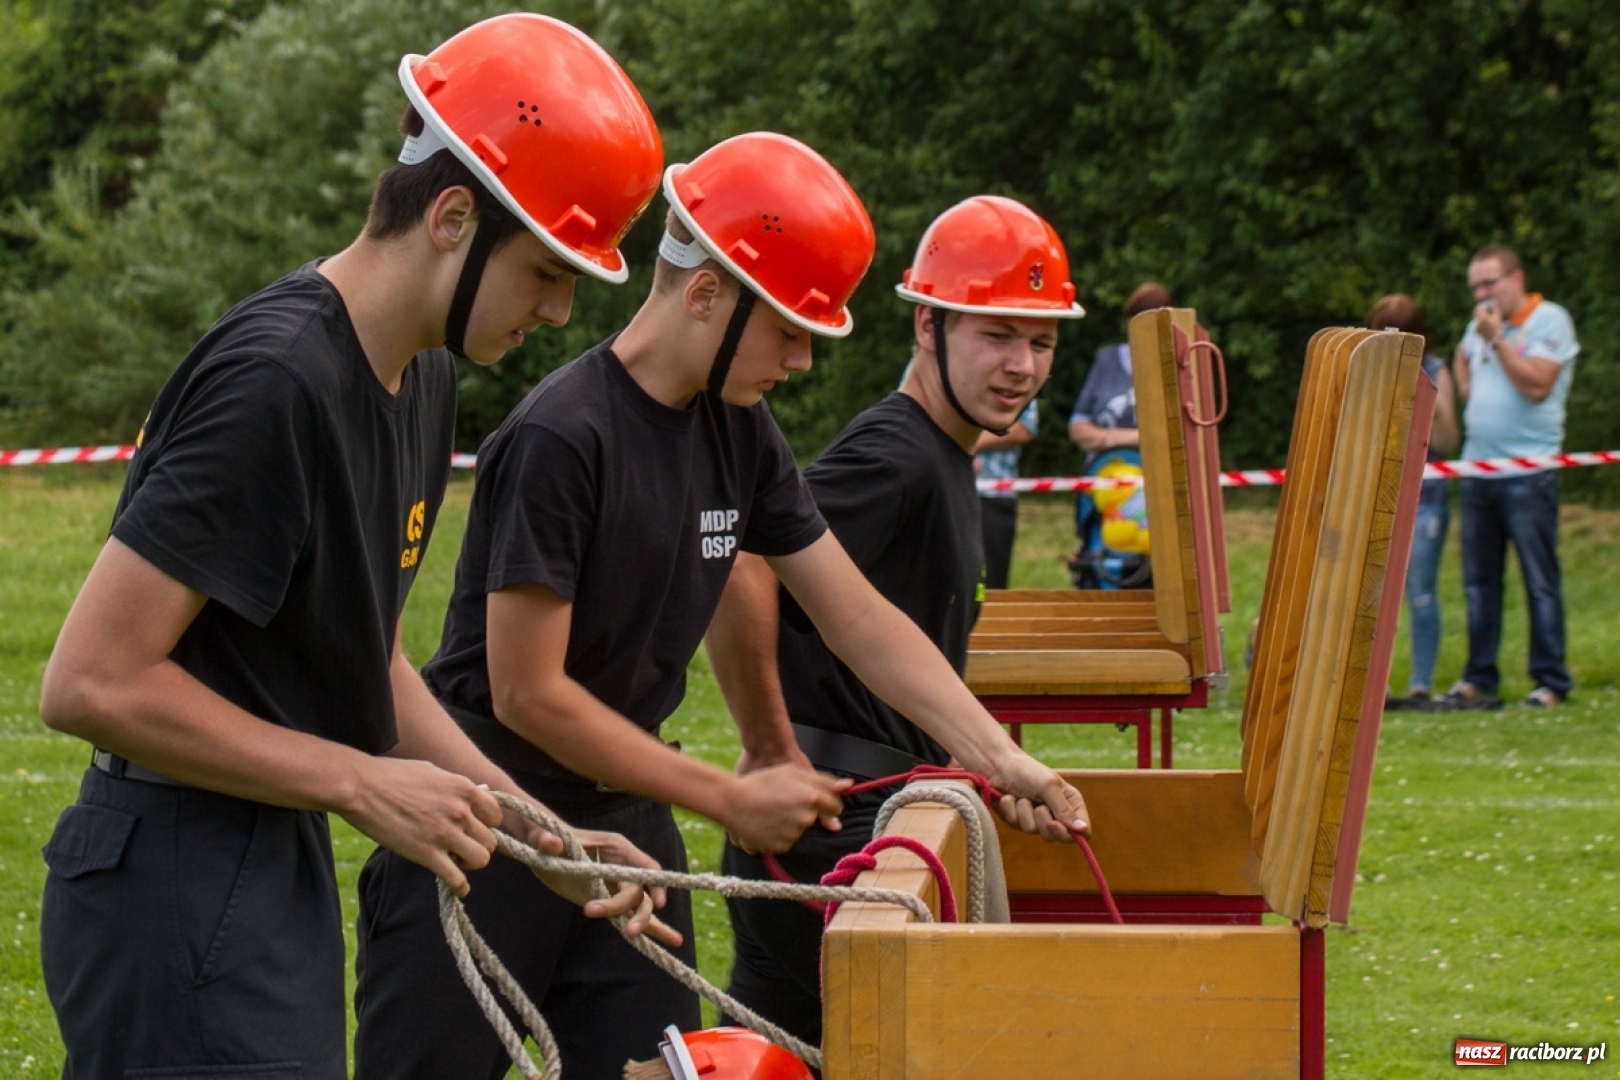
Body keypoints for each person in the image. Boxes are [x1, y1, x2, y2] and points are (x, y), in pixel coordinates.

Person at [35, 14, 676, 1079]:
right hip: (171, 871)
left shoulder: (419, 377)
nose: (562, 312)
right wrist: (357, 783)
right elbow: (91, 682)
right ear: (454, 217)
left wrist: (530, 827)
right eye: (547, 272)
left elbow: (364, 655)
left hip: (265, 854)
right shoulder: (276, 380)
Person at [353, 132, 864, 1080]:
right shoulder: (560, 434)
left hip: (630, 825)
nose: (800, 361)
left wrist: (998, 756)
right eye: (791, 329)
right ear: (707, 293)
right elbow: (528, 695)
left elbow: (854, 612)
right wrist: (728, 796)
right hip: (487, 815)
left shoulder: (742, 429)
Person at [707, 194, 1093, 1050]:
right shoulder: (897, 454)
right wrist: (773, 748)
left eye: (1041, 341)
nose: (1023, 365)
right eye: (996, 334)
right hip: (824, 831)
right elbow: (747, 563)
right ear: (926, 326)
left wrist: (981, 763)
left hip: (880, 813)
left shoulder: (947, 454)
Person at [1438, 246, 1579, 710]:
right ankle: (1479, 676)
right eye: (1476, 286)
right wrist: (1468, 390)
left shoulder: (1549, 322)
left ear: (1516, 278)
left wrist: (1498, 339)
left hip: (1529, 471)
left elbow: (1537, 385)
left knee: (1539, 580)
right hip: (1479, 468)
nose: (1482, 294)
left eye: (1490, 283)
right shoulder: (1479, 323)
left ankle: (1551, 680)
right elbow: (1461, 356)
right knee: (1479, 582)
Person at [1367, 295, 1461, 711]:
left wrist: (1438, 408)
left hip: (1427, 499)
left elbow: (1448, 444)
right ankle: (1374, 683)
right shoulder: (1369, 370)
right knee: (1373, 592)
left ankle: (1421, 682)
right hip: (1379, 495)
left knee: (1420, 591)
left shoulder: (1438, 371)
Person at [1065, 281, 1171, 589]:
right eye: (1136, 320)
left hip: (1156, 494)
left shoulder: (1178, 365)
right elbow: (1078, 428)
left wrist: (1109, 437)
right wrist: (1141, 438)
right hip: (1104, 491)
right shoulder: (1106, 360)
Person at [975, 398, 1039, 589]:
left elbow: (1025, 427)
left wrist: (963, 446)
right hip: (941, 492)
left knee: (990, 584)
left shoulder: (1014, 370)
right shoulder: (930, 368)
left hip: (993, 496)